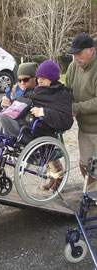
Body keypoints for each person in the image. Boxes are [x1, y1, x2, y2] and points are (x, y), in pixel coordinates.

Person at [65, 32, 97, 188]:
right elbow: (67, 91)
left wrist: (76, 107)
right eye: (73, 54)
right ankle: (91, 195)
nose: (76, 57)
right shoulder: (72, 67)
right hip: (84, 128)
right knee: (85, 164)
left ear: (91, 50)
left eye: (79, 53)